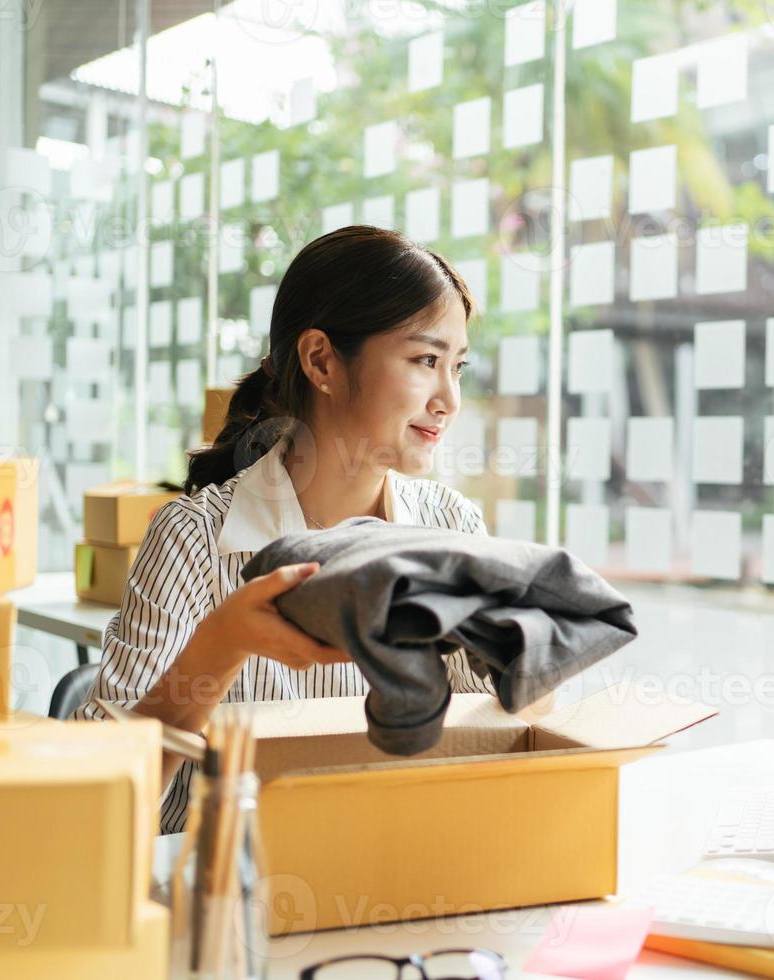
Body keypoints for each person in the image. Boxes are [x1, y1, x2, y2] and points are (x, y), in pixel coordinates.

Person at [75, 226, 512, 833]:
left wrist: (531, 654)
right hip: (225, 888)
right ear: (321, 360)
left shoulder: (452, 527)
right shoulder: (194, 537)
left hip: (394, 873)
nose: (450, 399)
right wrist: (220, 645)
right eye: (425, 360)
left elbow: (499, 738)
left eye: (458, 367)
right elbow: (88, 791)